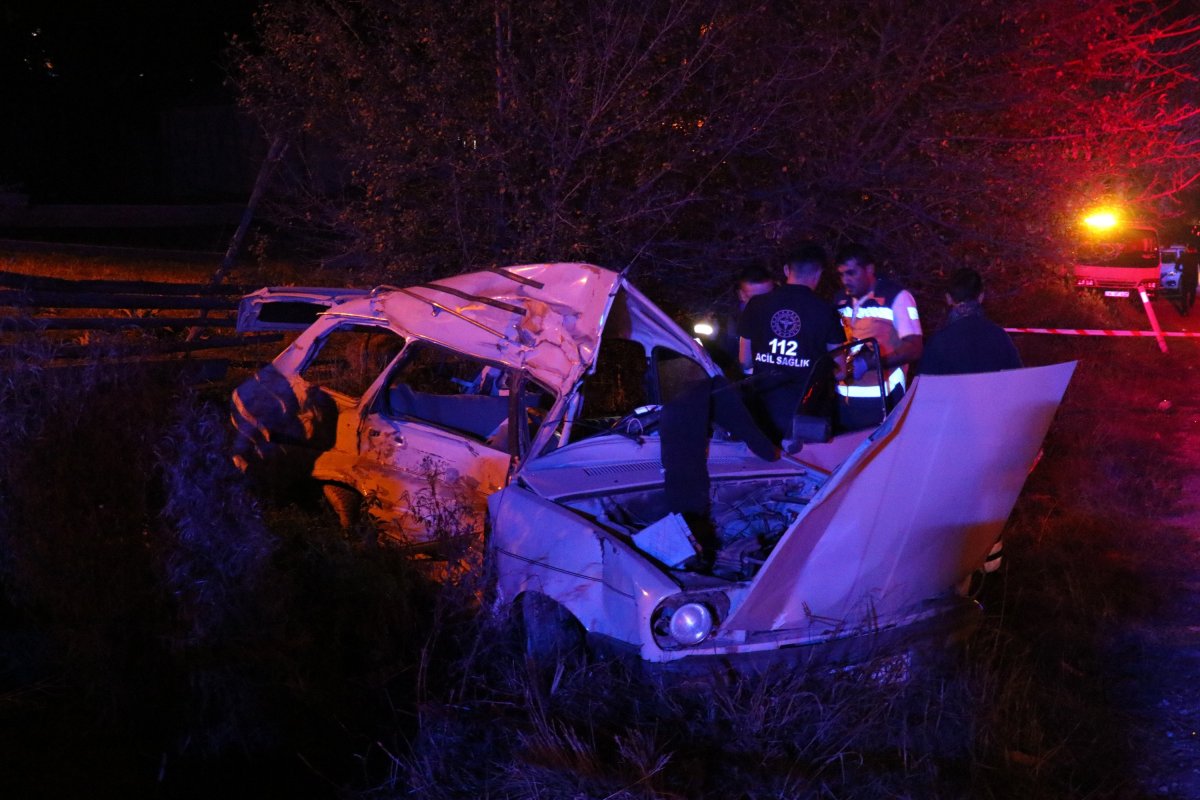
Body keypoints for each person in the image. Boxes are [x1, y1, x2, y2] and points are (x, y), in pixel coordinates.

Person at [737, 244, 846, 444]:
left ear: (787, 270)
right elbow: (839, 370)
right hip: (806, 418)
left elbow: (744, 360)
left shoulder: (756, 305)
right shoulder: (825, 311)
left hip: (762, 413)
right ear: (819, 273)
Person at [833, 244, 923, 431]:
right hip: (844, 401)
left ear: (869, 269)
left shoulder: (897, 297)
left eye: (851, 273)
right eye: (841, 274)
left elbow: (915, 347)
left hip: (883, 400)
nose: (845, 280)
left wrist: (873, 363)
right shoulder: (840, 299)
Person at [920, 268, 1022, 375]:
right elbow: (1016, 379)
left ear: (948, 298)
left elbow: (925, 384)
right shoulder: (1000, 337)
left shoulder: (938, 342)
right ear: (981, 297)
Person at [706, 265, 776, 379]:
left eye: (768, 297)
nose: (763, 304)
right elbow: (721, 360)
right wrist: (713, 340)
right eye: (755, 299)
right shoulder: (725, 321)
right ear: (742, 295)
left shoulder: (784, 319)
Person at [1179, 243, 1198, 316]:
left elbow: (1177, 266)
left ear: (1188, 249)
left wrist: (1181, 270)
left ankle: (1184, 310)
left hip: (1185, 277)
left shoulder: (1183, 256)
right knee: (1193, 292)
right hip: (1194, 278)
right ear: (1194, 249)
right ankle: (1191, 303)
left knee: (1184, 294)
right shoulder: (1197, 256)